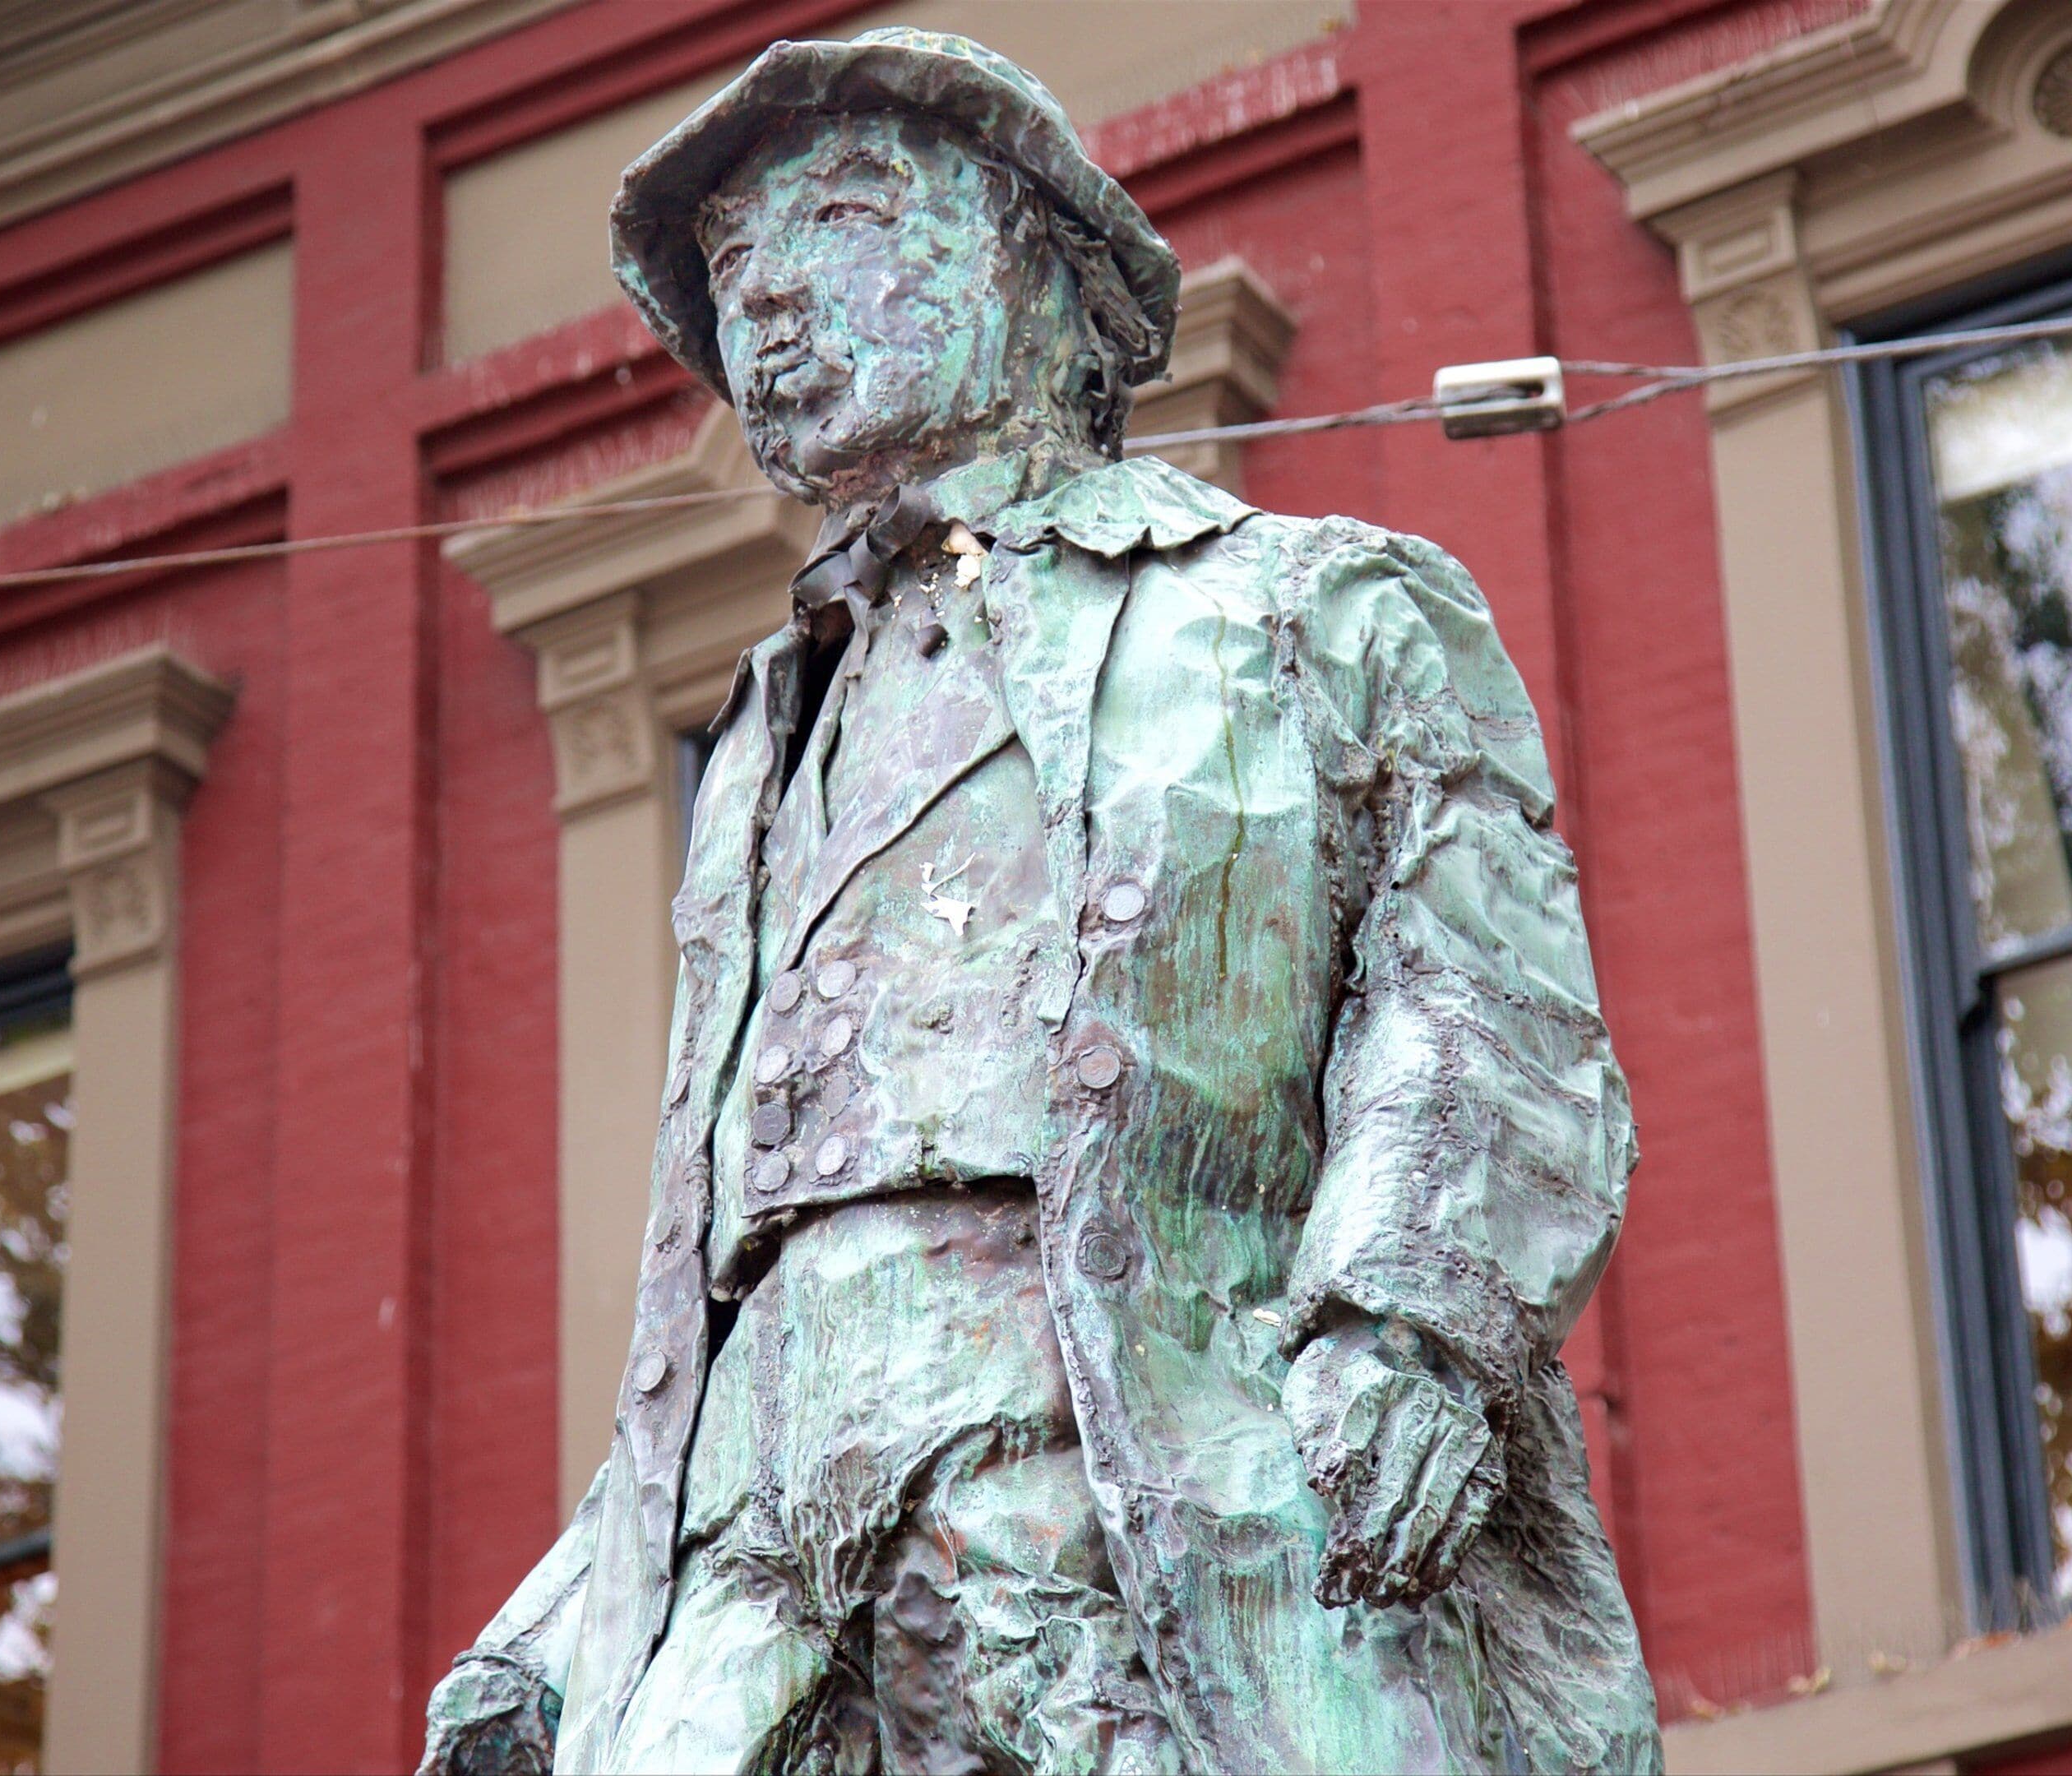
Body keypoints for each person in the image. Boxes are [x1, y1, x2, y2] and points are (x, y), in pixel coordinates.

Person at [423, 30, 1656, 1774]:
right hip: (759, 1556)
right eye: (732, 271)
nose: (770, 306)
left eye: (843, 220)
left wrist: (1410, 1330)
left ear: (1042, 261)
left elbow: (1480, 997)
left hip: (1128, 1469)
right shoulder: (763, 753)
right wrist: (567, 1619)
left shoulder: (1309, 610)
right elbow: (726, 1277)